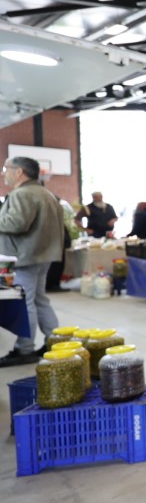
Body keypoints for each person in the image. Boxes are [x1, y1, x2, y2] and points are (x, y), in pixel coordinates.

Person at [0, 156, 65, 366]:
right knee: (39, 299)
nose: (3, 173)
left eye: (6, 168)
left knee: (25, 300)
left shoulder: (22, 193)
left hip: (24, 256)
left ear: (19, 172)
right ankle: (56, 341)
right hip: (43, 255)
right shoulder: (46, 193)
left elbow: (17, 223)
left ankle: (24, 348)